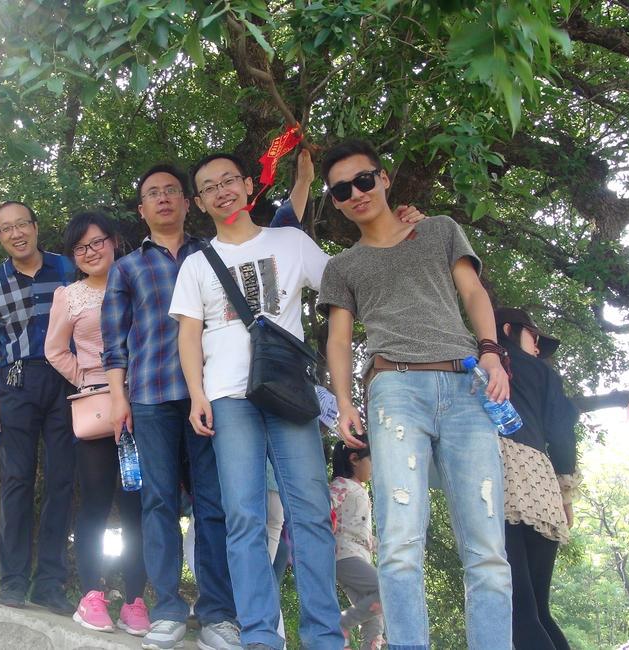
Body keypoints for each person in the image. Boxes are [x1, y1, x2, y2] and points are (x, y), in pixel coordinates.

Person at [319, 139, 512, 649]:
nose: (356, 193)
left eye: (363, 180)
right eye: (342, 190)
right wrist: (344, 402)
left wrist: (491, 352)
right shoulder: (343, 266)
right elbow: (339, 340)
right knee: (400, 544)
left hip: (466, 385)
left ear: (383, 178)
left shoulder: (439, 229)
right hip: (395, 388)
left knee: (488, 547)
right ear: (335, 202)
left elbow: (473, 292)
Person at [170, 152, 342, 650]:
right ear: (200, 202)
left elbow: (344, 286)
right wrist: (197, 394)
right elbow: (189, 335)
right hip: (228, 396)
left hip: (287, 392)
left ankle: (324, 637)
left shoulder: (289, 242)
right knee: (243, 517)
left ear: (249, 186)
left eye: (229, 180)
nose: (221, 191)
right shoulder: (196, 263)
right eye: (209, 187)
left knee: (309, 513)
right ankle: (260, 635)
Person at [101, 165, 241, 650]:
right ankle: (166, 609)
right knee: (158, 502)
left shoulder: (213, 254)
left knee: (213, 504)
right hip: (150, 394)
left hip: (212, 393)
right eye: (152, 194)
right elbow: (114, 342)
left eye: (171, 192)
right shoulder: (127, 268)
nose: (162, 199)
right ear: (142, 210)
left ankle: (218, 613)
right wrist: (119, 398)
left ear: (187, 202)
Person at [44, 212, 150, 636]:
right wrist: (88, 380)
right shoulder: (69, 296)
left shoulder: (139, 281)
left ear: (114, 240)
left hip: (144, 403)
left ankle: (136, 600)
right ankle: (91, 595)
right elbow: (54, 350)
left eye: (96, 242)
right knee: (95, 502)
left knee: (137, 506)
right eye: (80, 247)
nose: (90, 252)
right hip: (97, 408)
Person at [0, 201, 78, 615]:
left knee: (61, 480)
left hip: (66, 381)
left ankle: (49, 584)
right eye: (6, 228)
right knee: (16, 480)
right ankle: (13, 581)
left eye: (22, 224)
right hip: (16, 384)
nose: (16, 233)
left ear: (35, 227)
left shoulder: (68, 268)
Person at [493, 307, 579, 650]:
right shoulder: (544, 373)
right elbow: (562, 434)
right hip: (543, 487)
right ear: (509, 329)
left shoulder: (477, 366)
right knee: (539, 611)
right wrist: (566, 496)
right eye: (534, 336)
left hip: (501, 479)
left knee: (520, 611)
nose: (538, 347)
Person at [330, 441, 384, 650]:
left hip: (360, 558)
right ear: (354, 459)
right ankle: (340, 624)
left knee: (375, 621)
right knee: (387, 590)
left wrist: (388, 547)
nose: (374, 466)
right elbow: (324, 508)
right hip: (345, 556)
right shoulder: (342, 484)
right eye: (371, 460)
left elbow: (364, 535)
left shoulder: (359, 490)